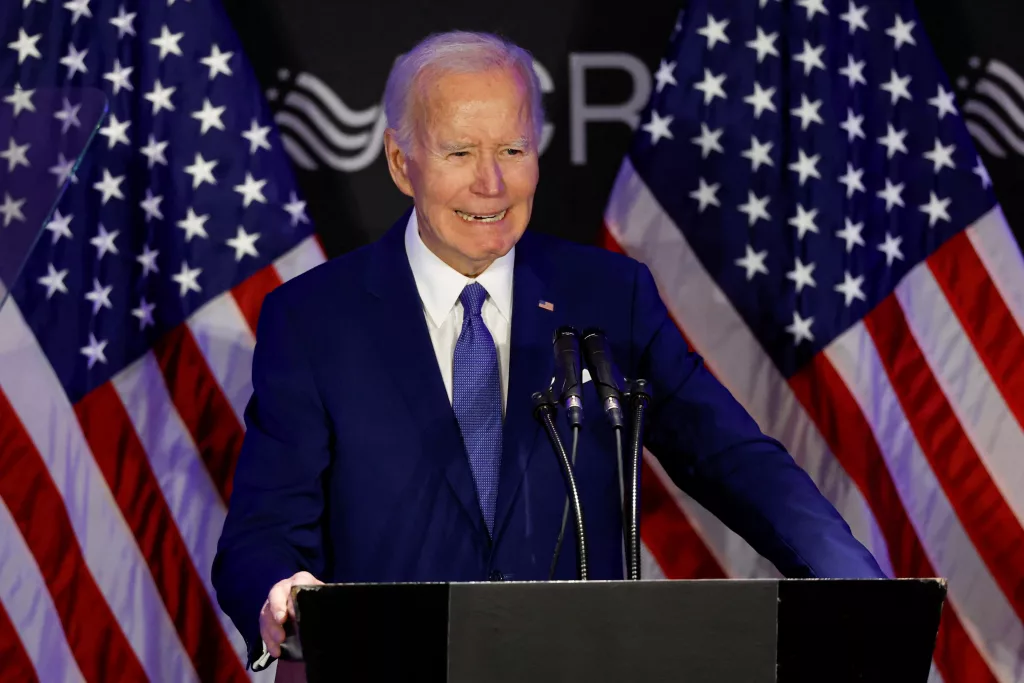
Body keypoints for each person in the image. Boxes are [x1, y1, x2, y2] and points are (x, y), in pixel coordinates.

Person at [212, 29, 886, 673]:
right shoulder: (313, 319)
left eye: (513, 149)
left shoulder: (607, 295)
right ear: (400, 161)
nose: (492, 184)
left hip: (577, 667)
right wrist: (281, 592)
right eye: (459, 153)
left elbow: (730, 456)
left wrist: (859, 586)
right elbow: (262, 530)